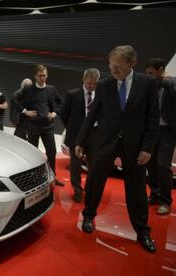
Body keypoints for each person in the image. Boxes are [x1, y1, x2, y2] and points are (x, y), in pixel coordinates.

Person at [75, 45, 159, 253]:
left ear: (132, 63)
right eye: (111, 66)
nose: (114, 70)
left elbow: (153, 118)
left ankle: (142, 231)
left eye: (119, 67)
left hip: (135, 145)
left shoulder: (147, 84)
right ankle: (88, 216)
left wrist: (148, 147)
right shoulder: (104, 85)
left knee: (137, 189)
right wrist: (80, 141)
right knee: (95, 181)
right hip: (106, 143)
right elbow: (92, 115)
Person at [16, 65, 64, 186]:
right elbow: (14, 99)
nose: (42, 78)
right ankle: (34, 178)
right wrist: (25, 111)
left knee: (52, 152)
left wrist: (54, 113)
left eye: (44, 75)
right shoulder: (28, 89)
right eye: (40, 75)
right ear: (35, 76)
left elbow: (61, 102)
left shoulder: (51, 89)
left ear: (47, 75)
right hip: (33, 126)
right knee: (33, 154)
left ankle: (53, 177)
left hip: (48, 126)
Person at [60, 68, 100, 202]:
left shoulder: (100, 96)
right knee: (76, 166)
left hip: (94, 135)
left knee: (93, 165)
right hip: (76, 136)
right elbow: (64, 114)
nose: (91, 86)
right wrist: (72, 129)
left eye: (94, 84)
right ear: (84, 80)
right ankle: (77, 190)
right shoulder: (73, 95)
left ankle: (89, 188)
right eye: (89, 83)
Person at [145, 58, 176, 215]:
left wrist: (167, 82)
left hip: (168, 131)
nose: (149, 76)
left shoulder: (172, 83)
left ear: (161, 70)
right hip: (152, 130)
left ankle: (166, 201)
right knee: (150, 165)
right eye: (147, 73)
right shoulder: (151, 86)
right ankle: (155, 195)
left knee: (163, 166)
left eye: (151, 73)